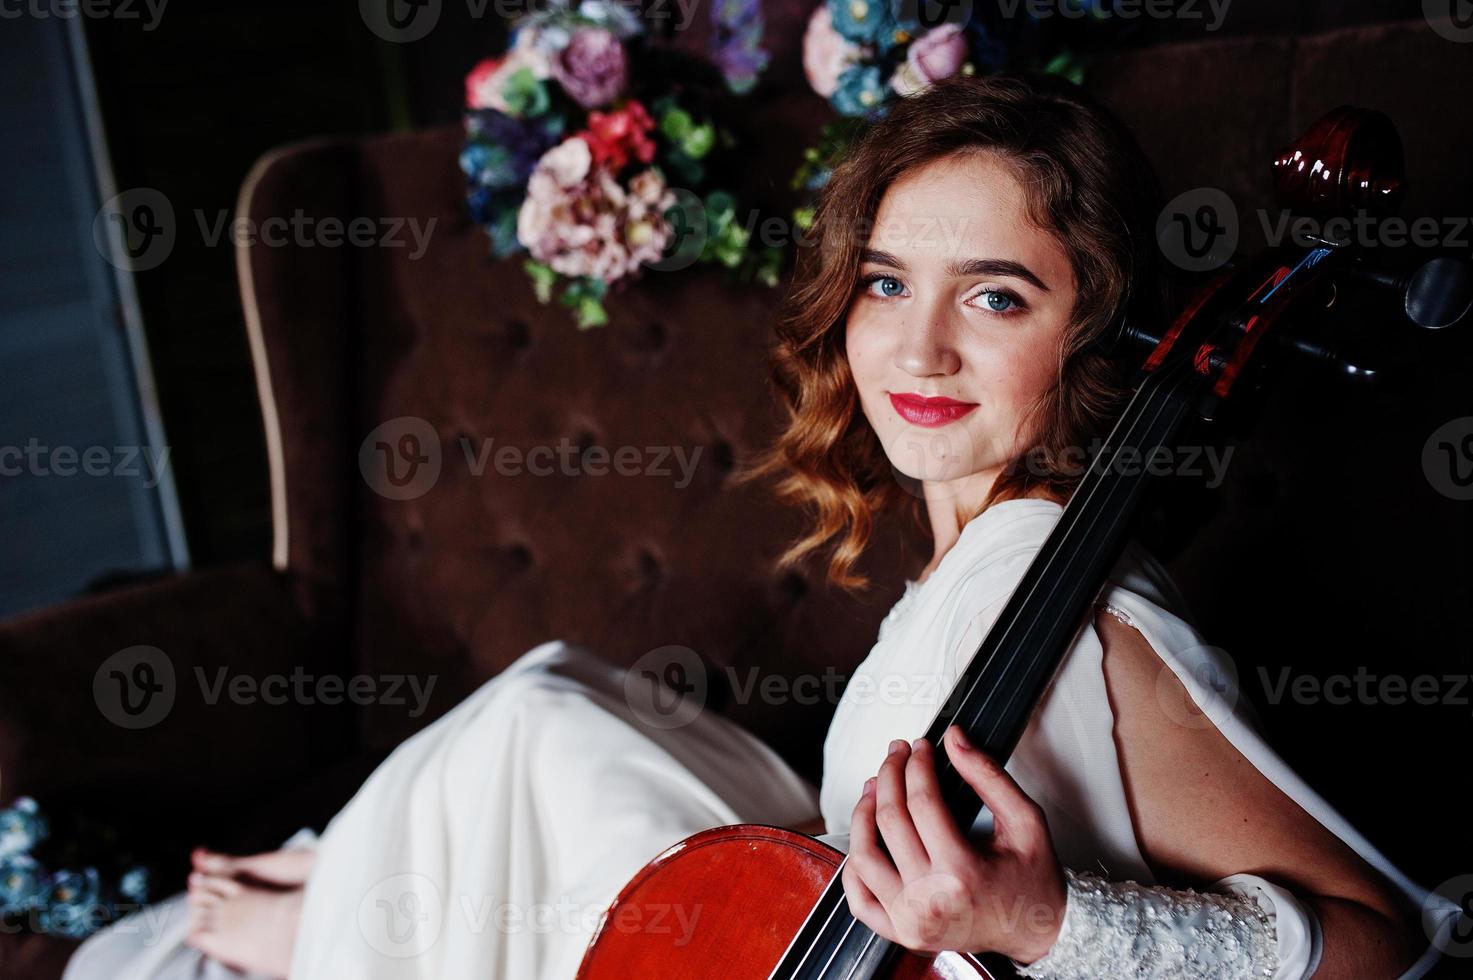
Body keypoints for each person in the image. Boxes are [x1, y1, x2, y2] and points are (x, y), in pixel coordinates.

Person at [64, 71, 1460, 980]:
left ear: (1091, 328)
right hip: (789, 936)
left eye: (993, 296)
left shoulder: (1080, 620)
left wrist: (1043, 923)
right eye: (882, 284)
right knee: (548, 722)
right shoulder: (979, 564)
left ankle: (337, 921)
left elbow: (1381, 944)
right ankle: (345, 903)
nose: (916, 350)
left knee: (535, 737)